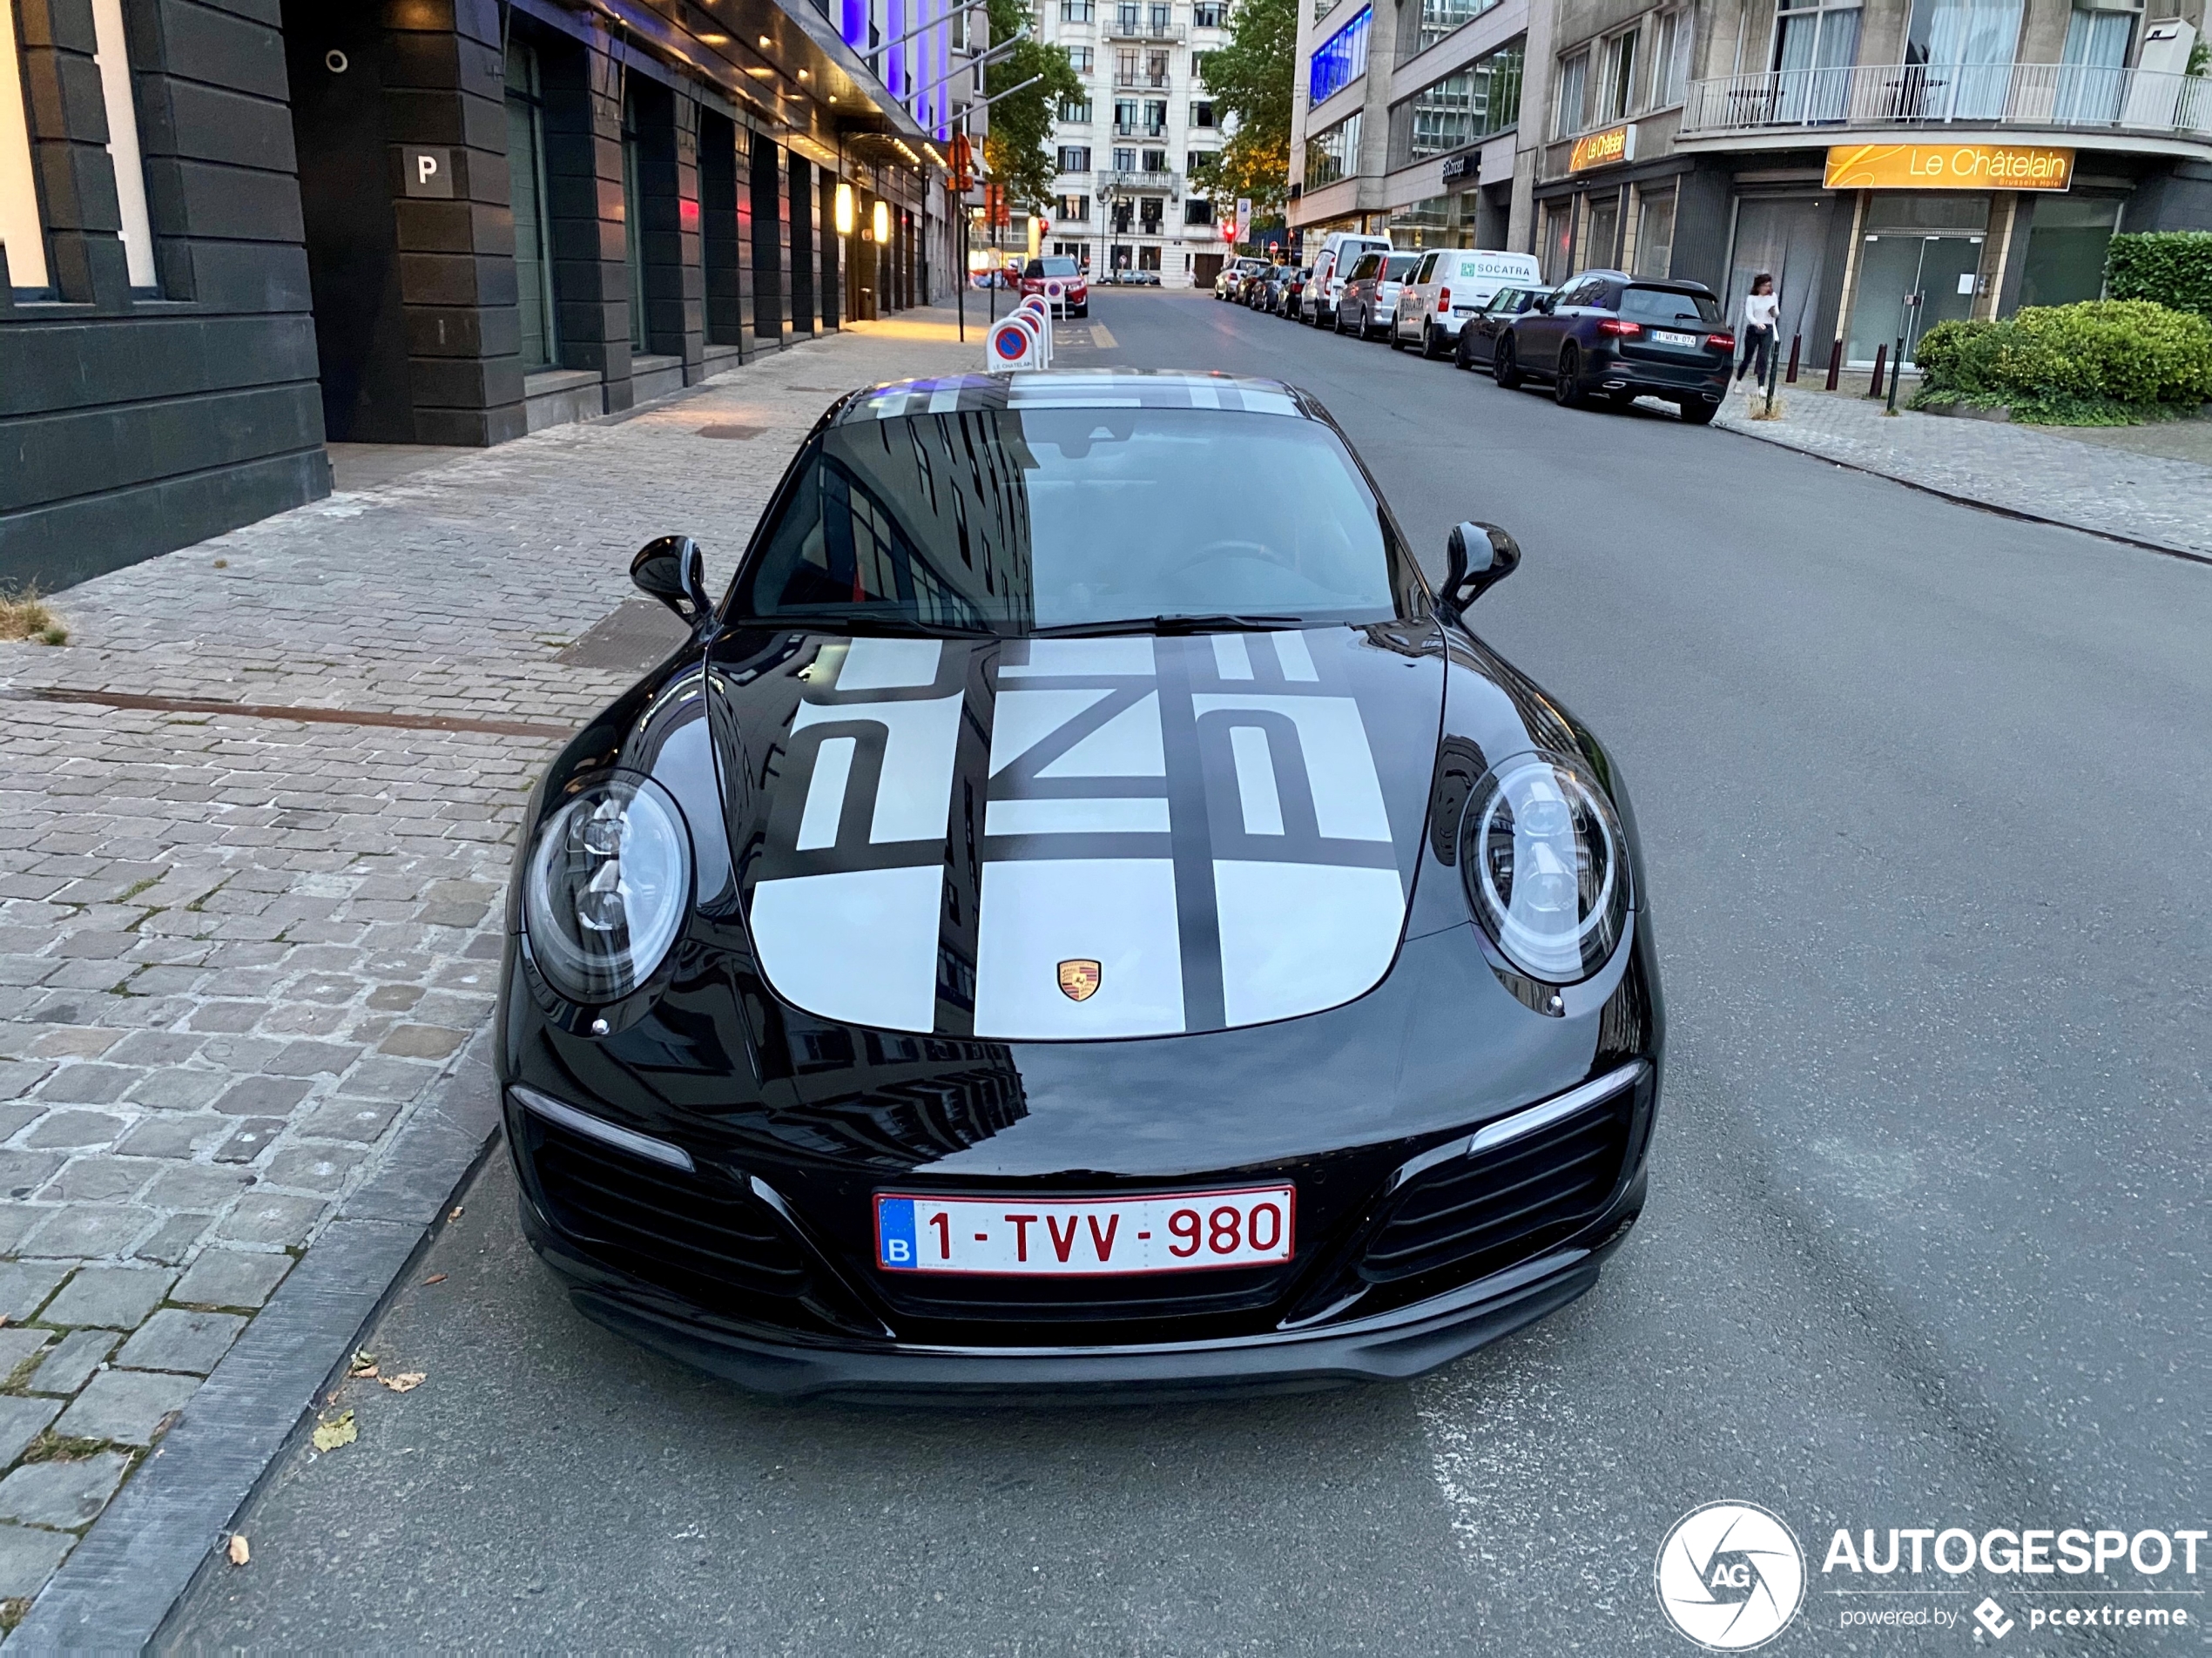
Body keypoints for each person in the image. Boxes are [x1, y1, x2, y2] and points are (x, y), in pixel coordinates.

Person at [1738, 273, 1779, 387]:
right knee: (1748, 357)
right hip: (1754, 329)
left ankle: (1761, 386)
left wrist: (1773, 313)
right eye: (1764, 286)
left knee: (1763, 357)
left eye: (1769, 286)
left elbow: (1777, 313)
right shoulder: (1751, 298)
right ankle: (1739, 380)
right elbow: (1749, 314)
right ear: (1758, 286)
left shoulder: (1773, 296)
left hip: (1768, 328)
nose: (1767, 288)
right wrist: (1757, 323)